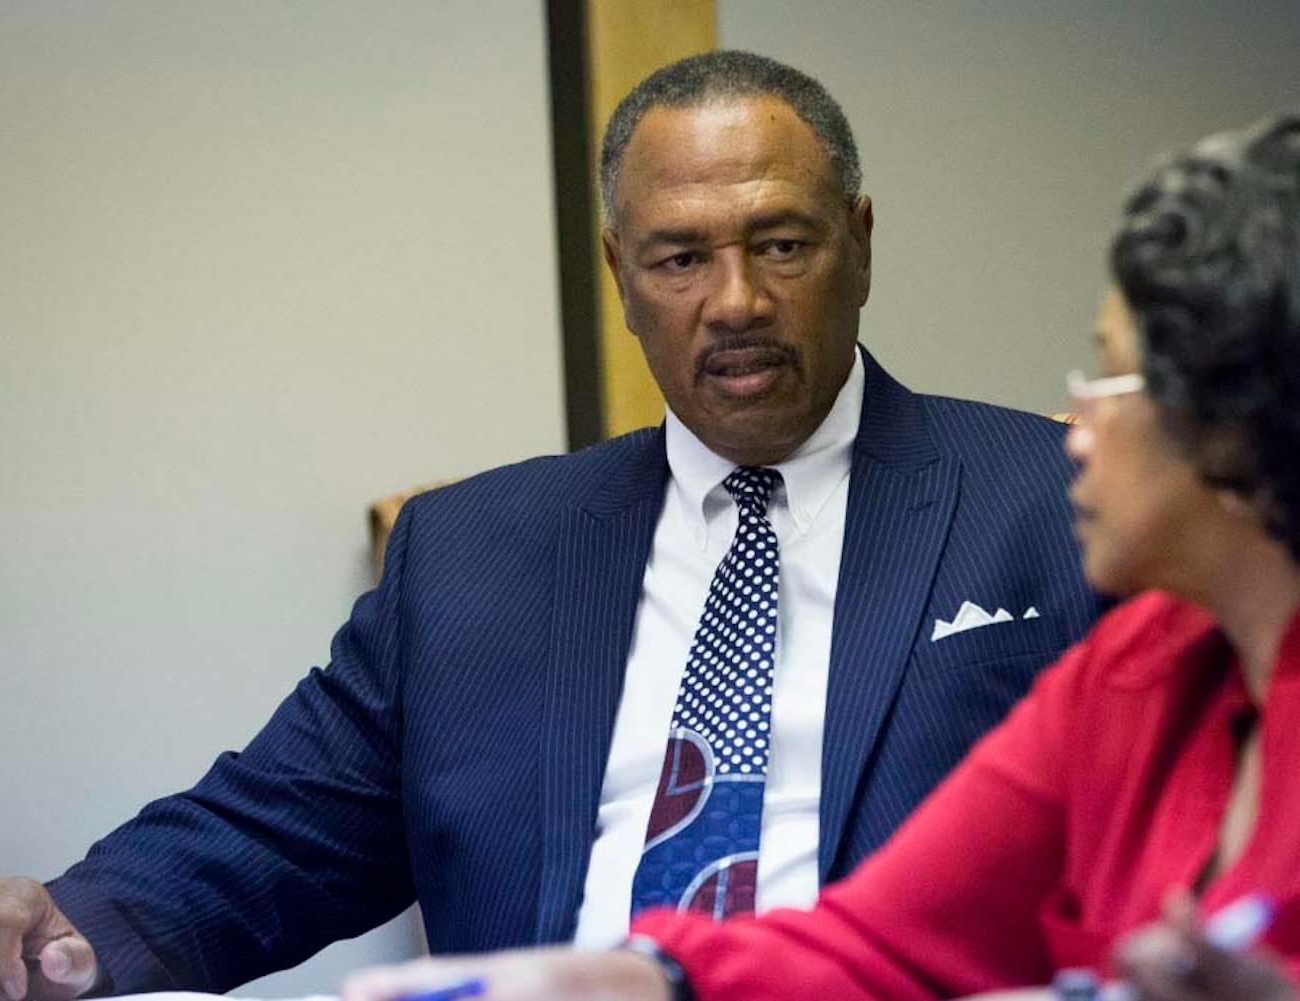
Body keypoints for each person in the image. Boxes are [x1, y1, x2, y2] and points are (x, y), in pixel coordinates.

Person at [0, 51, 1100, 1001]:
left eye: (779, 243)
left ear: (860, 240)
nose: (734, 301)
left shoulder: (1058, 499)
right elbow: (282, 827)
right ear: (620, 276)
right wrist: (62, 928)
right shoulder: (476, 550)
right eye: (679, 257)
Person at [341, 113, 1300, 1001]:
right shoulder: (1135, 674)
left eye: (1109, 375)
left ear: (1236, 418)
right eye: (680, 257)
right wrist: (628, 980)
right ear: (620, 273)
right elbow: (885, 934)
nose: (1076, 426)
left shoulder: (1059, 531)